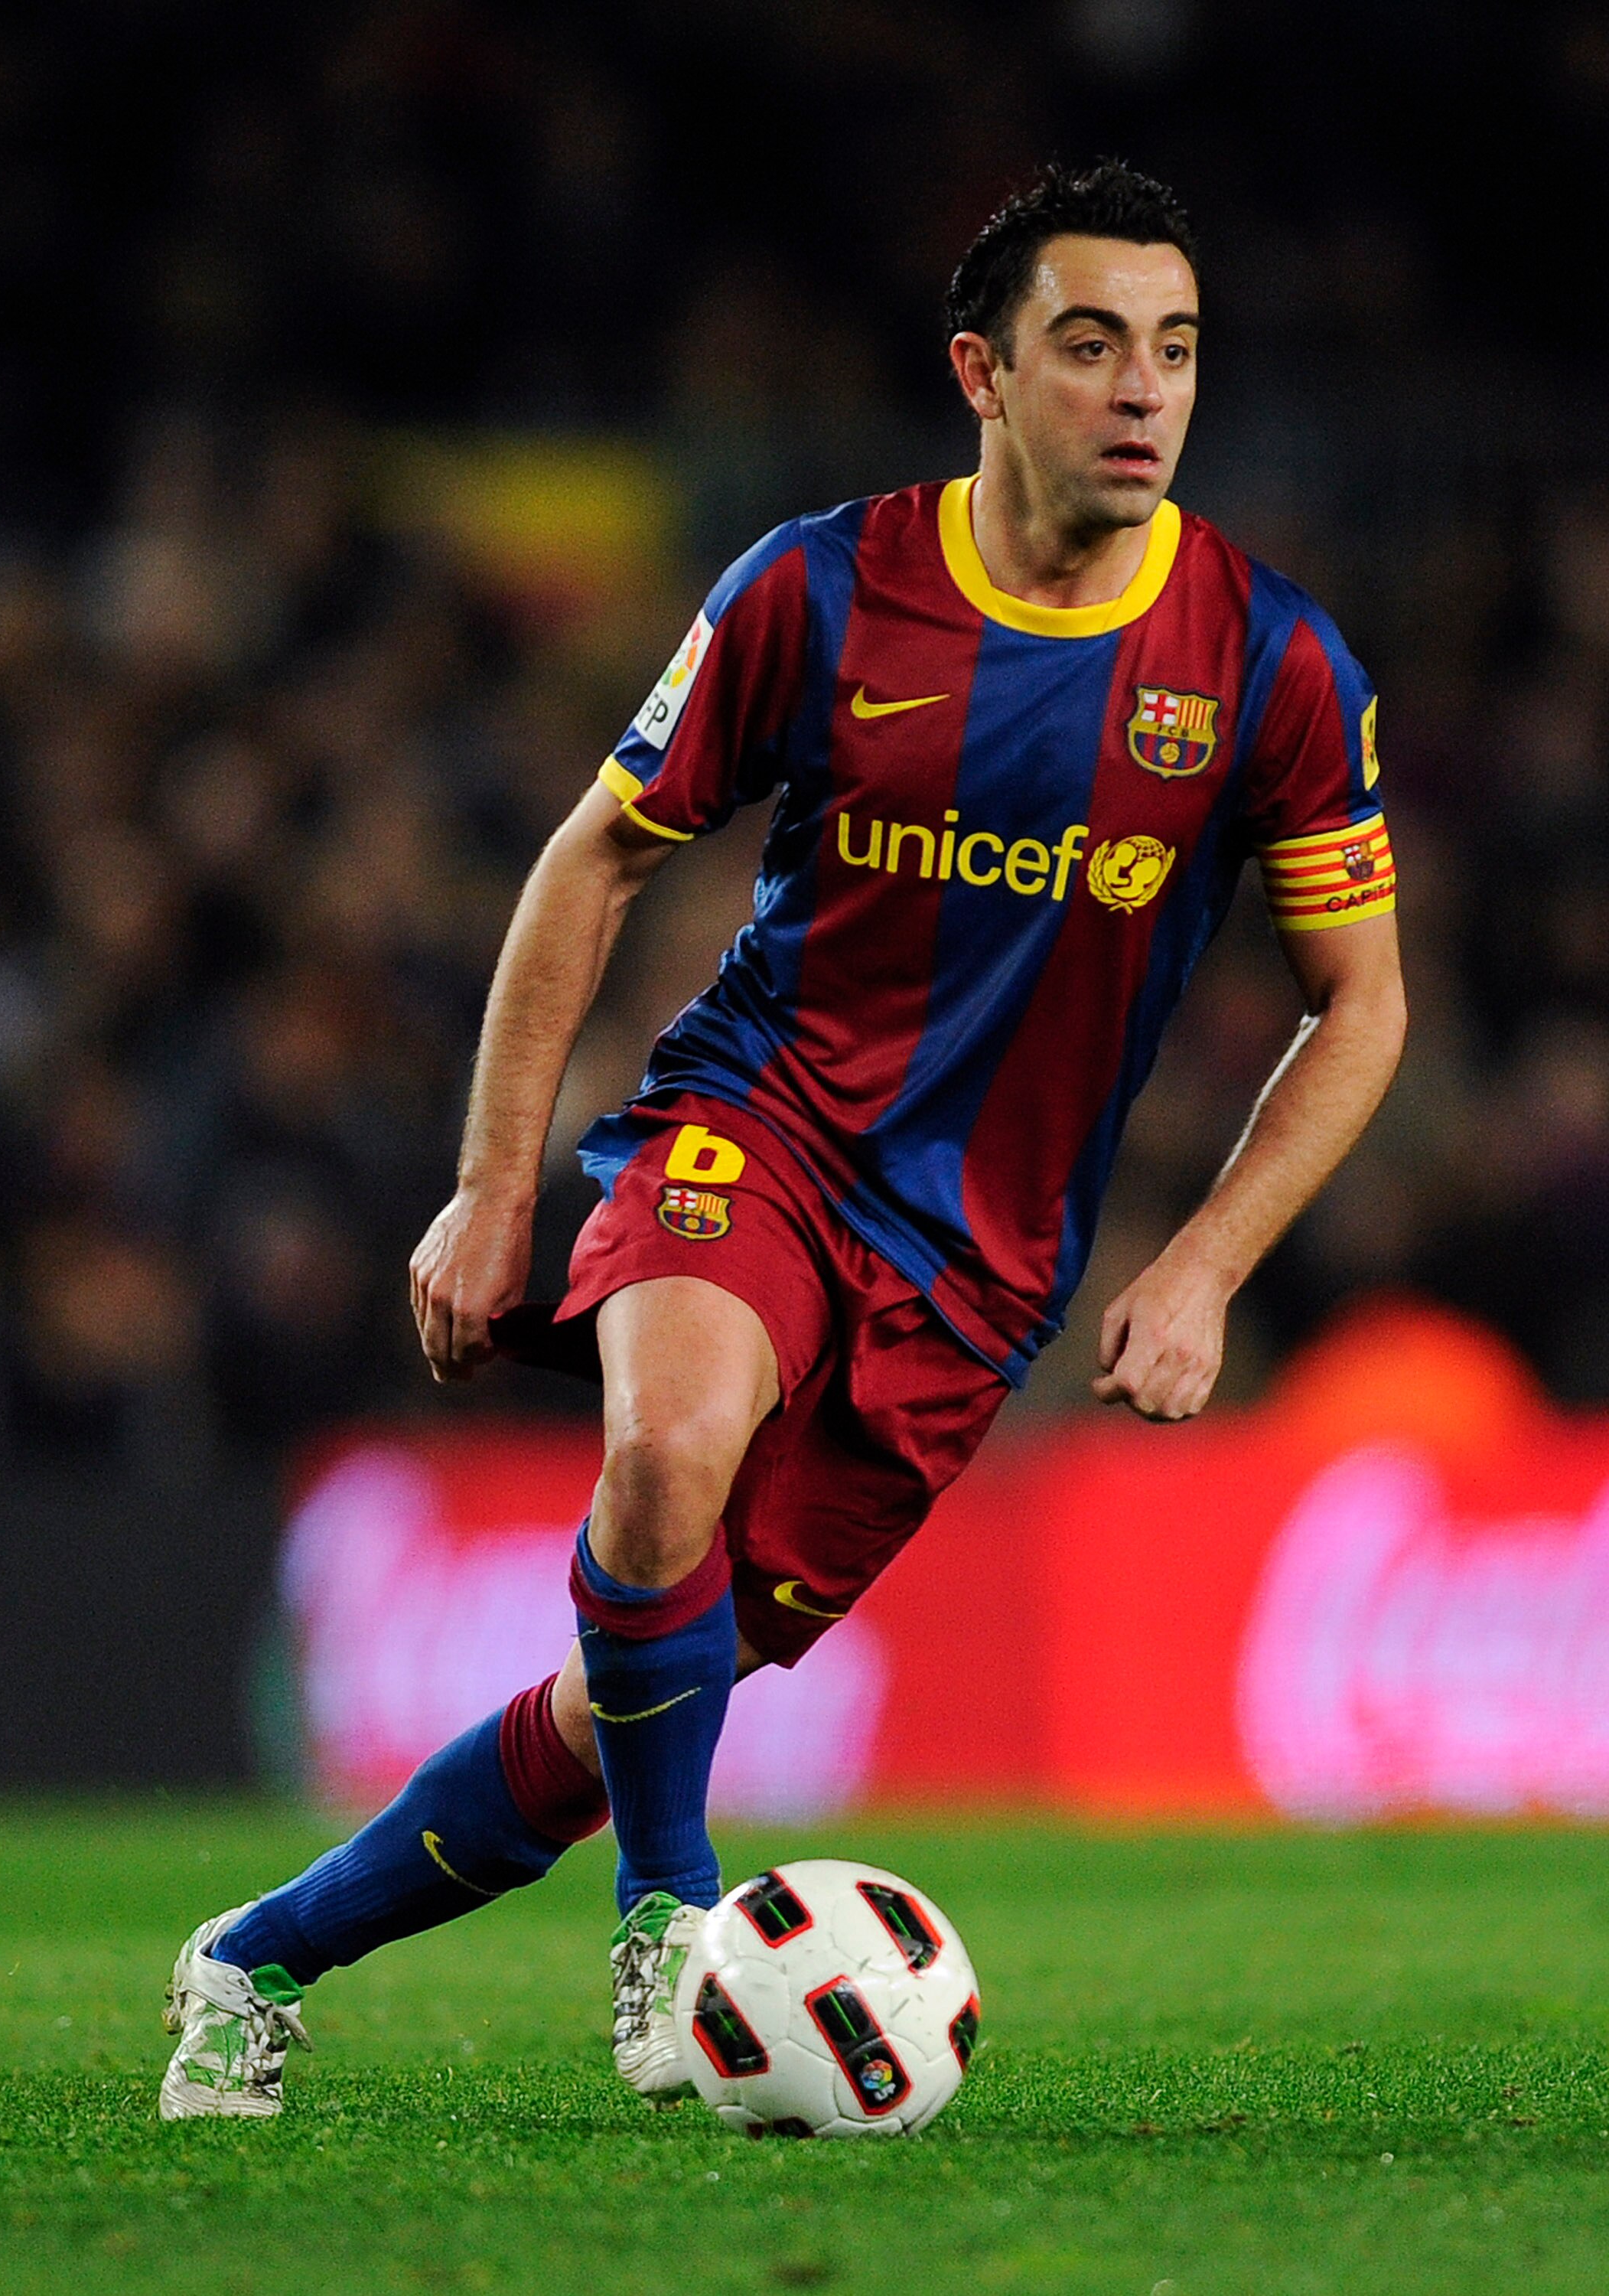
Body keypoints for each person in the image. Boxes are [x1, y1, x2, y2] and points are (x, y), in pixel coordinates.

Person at [158, 158, 1405, 2118]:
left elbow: (1366, 1002)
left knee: (619, 1702)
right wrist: (496, 1188)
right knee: (660, 1458)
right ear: (979, 374)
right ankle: (674, 1937)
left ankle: (250, 1958)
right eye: (1089, 347)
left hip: (977, 1266)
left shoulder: (1267, 662)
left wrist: (1201, 1267)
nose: (1141, 391)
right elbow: (594, 862)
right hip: (759, 1126)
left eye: (1171, 350)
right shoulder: (817, 587)